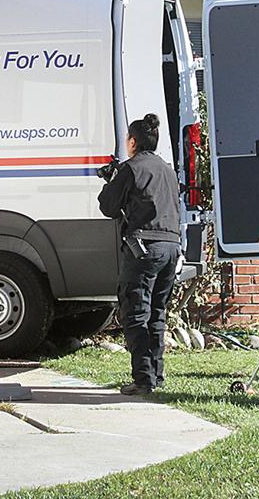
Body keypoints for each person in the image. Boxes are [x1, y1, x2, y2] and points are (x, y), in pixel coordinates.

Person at [98, 114, 182, 396]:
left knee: (136, 313)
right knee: (157, 313)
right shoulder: (168, 169)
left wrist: (110, 181)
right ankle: (156, 375)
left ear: (132, 141)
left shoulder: (131, 168)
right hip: (171, 247)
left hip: (144, 249)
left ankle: (143, 380)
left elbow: (108, 207)